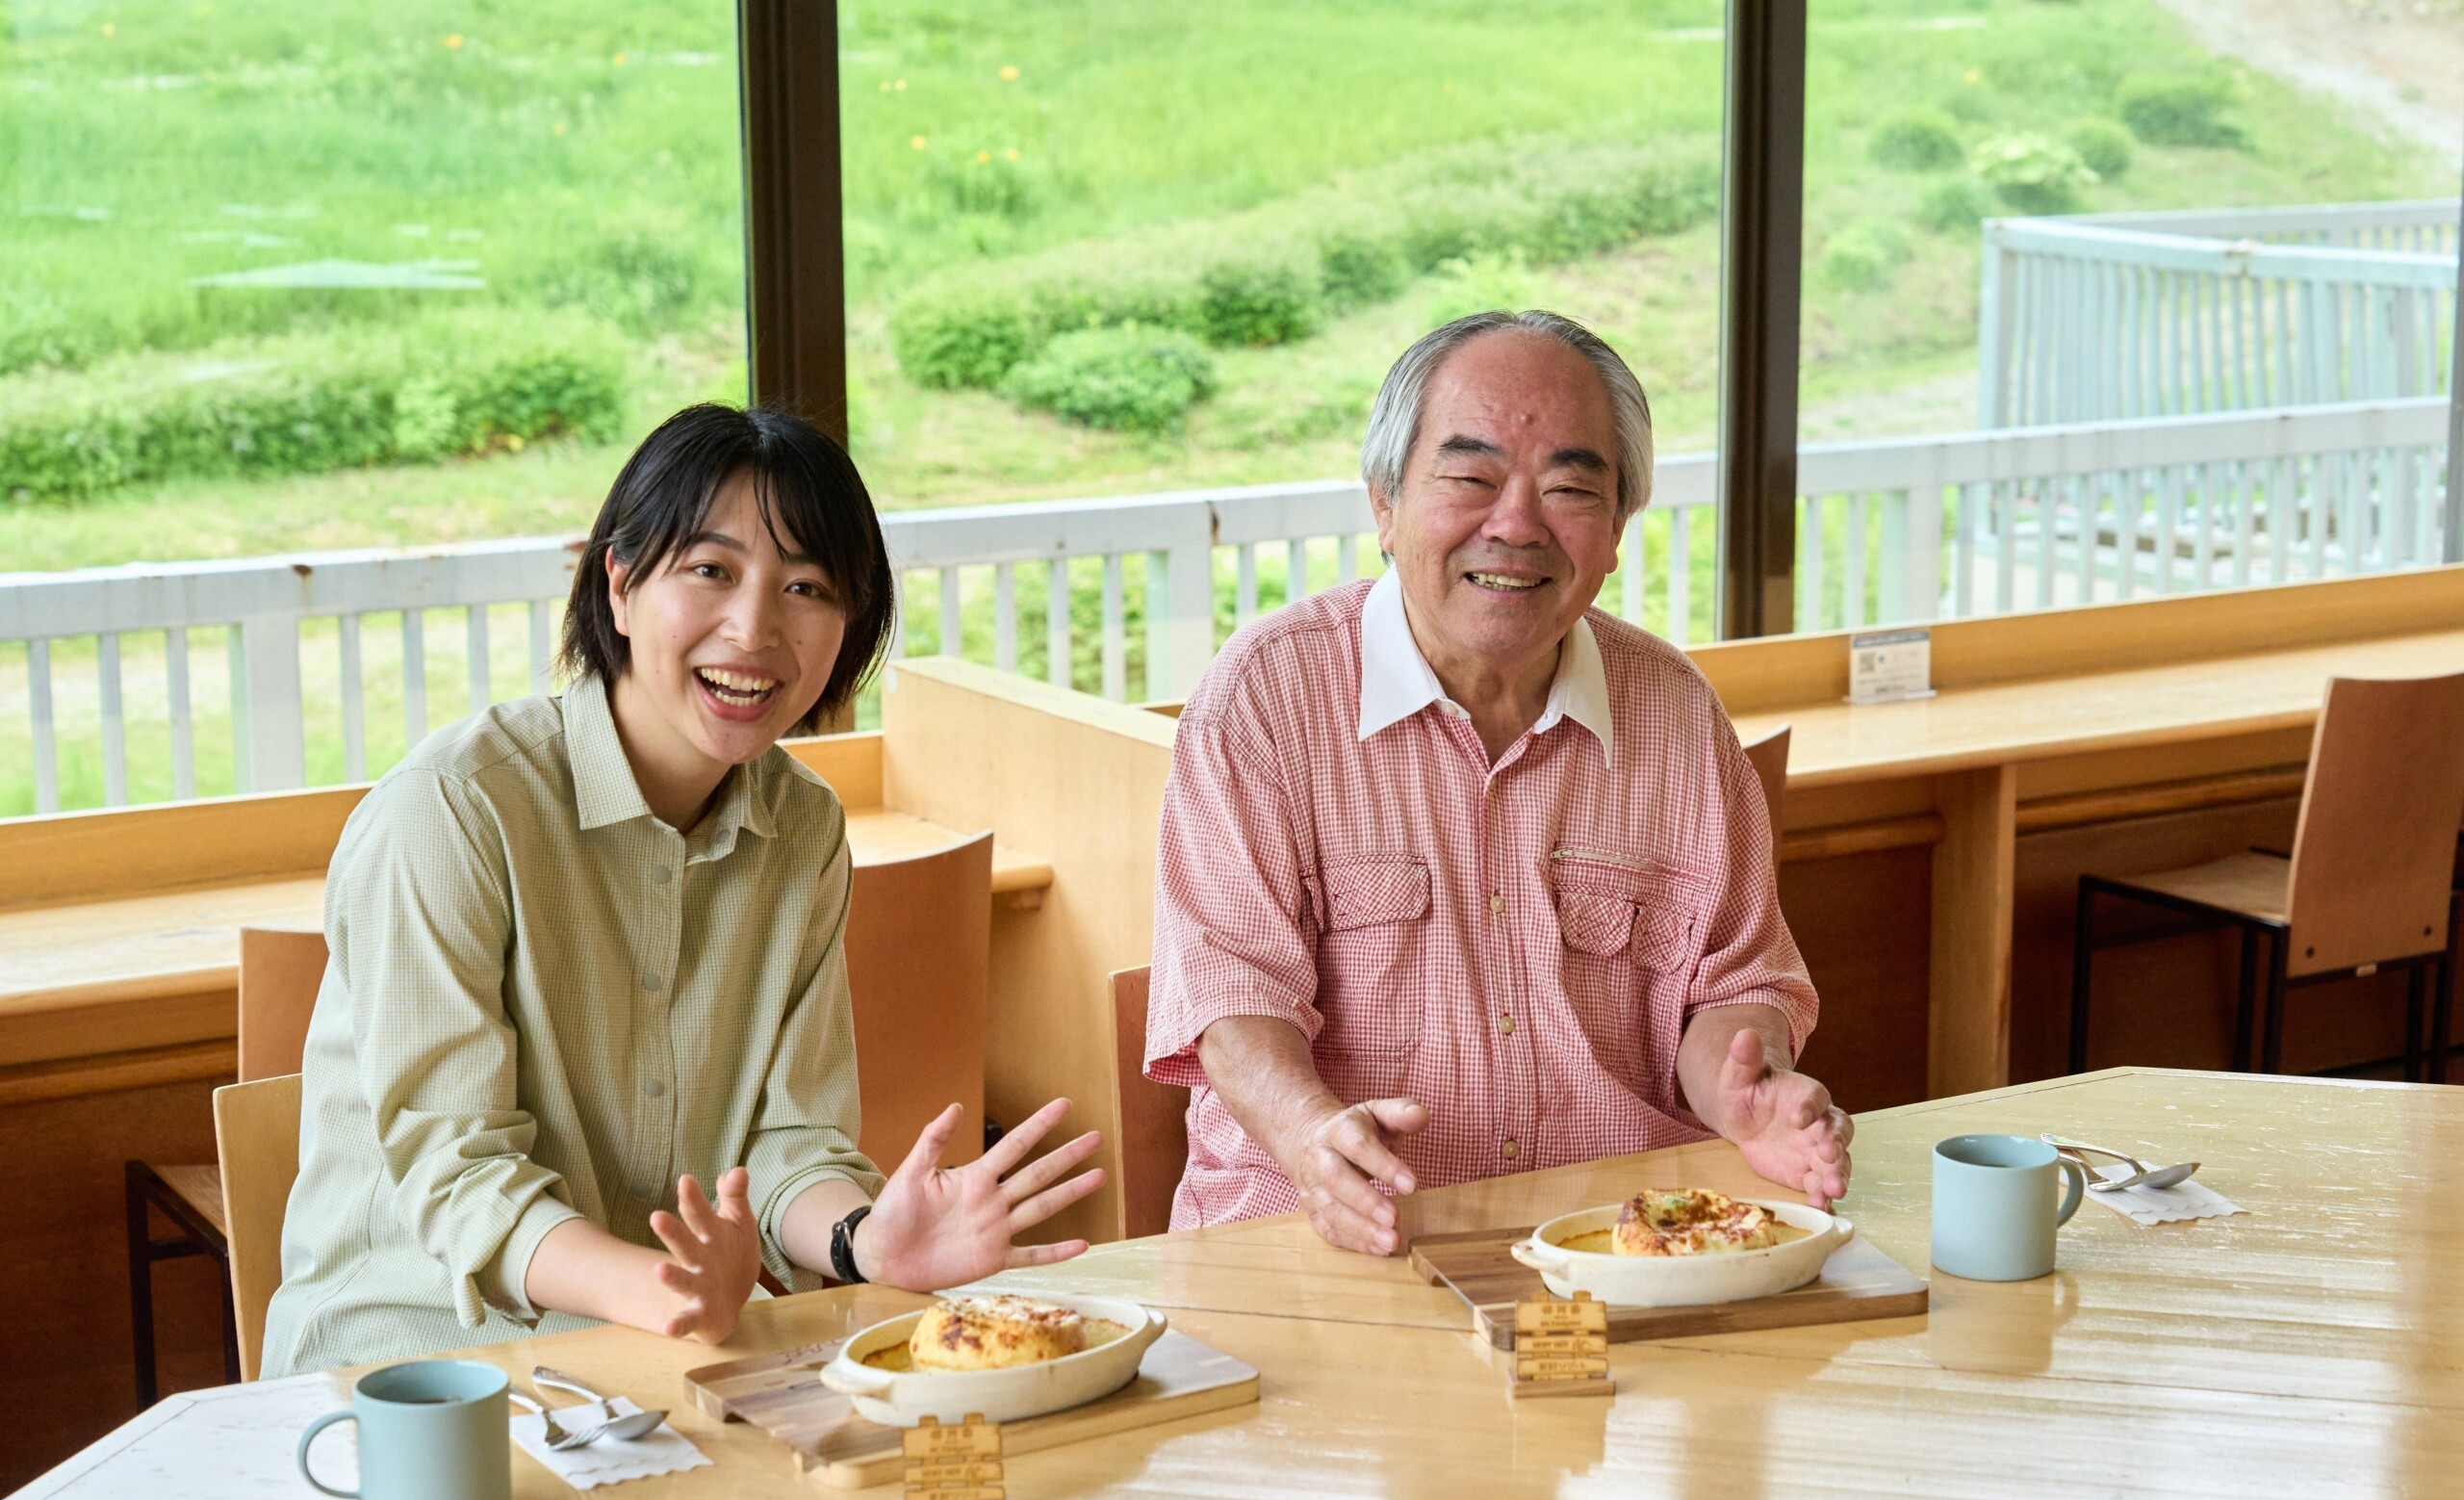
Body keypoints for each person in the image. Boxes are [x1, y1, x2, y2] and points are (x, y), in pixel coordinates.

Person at [263, 404, 1103, 1376]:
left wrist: (866, 1242)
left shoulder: (802, 828)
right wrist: (660, 1291)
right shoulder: (454, 808)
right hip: (414, 1367)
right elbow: (460, 1178)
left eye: (805, 587)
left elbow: (789, 1141)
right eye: (711, 571)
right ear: (617, 584)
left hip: (667, 1360)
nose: (754, 629)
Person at [1142, 310, 1849, 1254]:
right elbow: (1232, 1002)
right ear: (1384, 504)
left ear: (1616, 530)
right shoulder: (1266, 697)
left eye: (1567, 488)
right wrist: (1313, 1138)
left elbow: (1731, 986)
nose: (1514, 525)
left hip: (1612, 1245)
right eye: (1471, 479)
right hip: (1331, 1244)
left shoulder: (1677, 715)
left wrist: (1744, 1094)